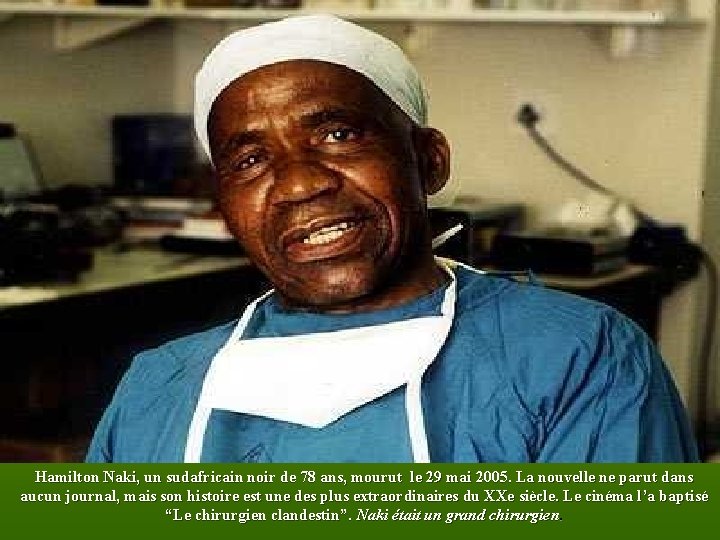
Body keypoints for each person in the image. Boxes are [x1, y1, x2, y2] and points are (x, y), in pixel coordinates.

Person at [86, 14, 698, 463]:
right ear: (224, 209)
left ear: (429, 161)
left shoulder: (580, 356)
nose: (299, 183)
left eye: (338, 135)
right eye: (250, 160)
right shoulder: (156, 387)